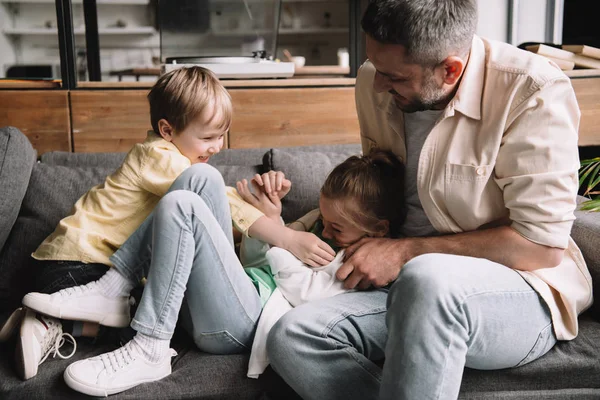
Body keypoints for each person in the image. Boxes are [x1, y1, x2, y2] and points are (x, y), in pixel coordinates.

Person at [265, 1, 593, 399]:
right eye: (375, 68)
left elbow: (540, 247)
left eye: (394, 76)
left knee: (429, 277)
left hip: (523, 290)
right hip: (403, 288)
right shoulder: (374, 80)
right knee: (292, 335)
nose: (378, 84)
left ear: (450, 69)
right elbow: (379, 190)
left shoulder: (532, 89)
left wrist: (405, 253)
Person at [4, 66, 334, 394]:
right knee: (200, 184)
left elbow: (214, 249)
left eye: (222, 136)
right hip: (79, 264)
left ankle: (60, 318)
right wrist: (286, 236)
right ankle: (69, 319)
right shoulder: (158, 156)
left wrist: (270, 218)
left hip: (97, 272)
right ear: (167, 130)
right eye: (207, 137)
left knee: (199, 184)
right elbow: (225, 204)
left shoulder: (184, 170)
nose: (218, 146)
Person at [236, 150, 405, 378]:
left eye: (336, 228)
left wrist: (281, 241)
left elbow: (304, 292)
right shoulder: (316, 223)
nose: (325, 232)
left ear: (379, 229)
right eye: (323, 221)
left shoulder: (363, 261)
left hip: (259, 303)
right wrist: (272, 221)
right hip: (251, 283)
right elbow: (255, 262)